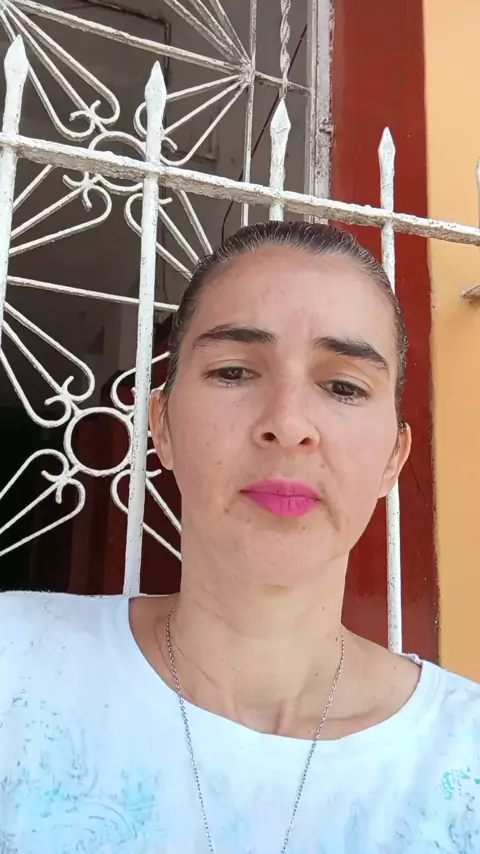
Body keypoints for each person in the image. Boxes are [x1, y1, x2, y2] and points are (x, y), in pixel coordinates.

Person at [0, 221, 479, 854]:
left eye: (343, 386)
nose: (288, 423)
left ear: (394, 457)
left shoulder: (464, 761)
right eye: (233, 372)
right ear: (162, 425)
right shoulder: (16, 665)